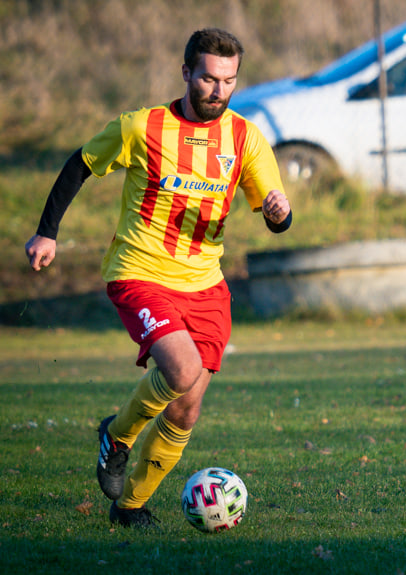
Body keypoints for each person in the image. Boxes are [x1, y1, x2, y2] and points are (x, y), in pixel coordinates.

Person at [24, 28, 292, 527]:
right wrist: (47, 233)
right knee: (182, 370)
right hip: (140, 271)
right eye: (209, 78)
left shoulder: (245, 138)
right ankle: (118, 436)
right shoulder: (140, 127)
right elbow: (80, 165)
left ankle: (129, 508)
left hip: (206, 284)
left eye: (229, 81)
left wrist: (279, 211)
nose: (218, 90)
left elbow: (275, 212)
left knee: (187, 410)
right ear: (186, 72)